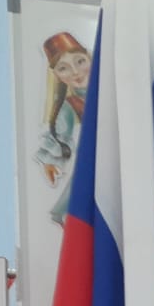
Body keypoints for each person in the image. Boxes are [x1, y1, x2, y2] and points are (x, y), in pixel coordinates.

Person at [36, 32, 93, 226]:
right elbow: (60, 133)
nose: (75, 72)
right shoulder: (71, 105)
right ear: (56, 75)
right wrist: (51, 161)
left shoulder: (113, 93)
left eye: (80, 61)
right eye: (63, 68)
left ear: (90, 58)